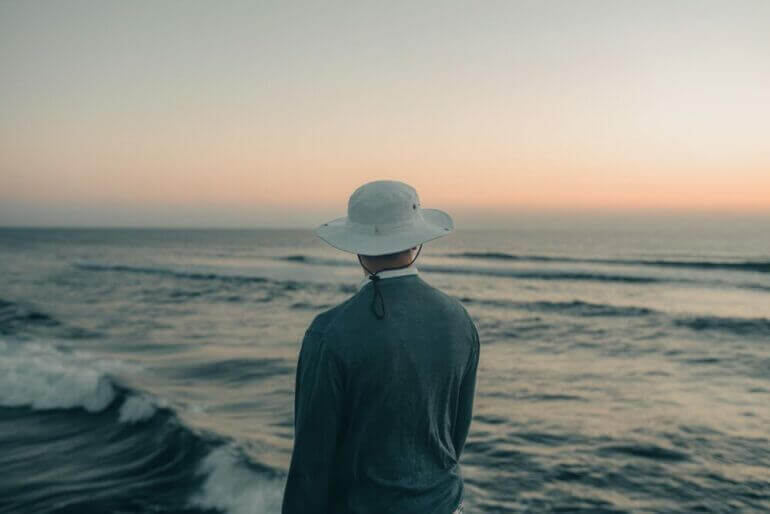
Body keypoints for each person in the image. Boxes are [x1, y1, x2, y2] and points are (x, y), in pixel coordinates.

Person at [282, 180, 480, 514]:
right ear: (416, 242)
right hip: (445, 506)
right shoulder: (459, 319)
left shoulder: (329, 333)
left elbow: (312, 462)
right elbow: (456, 433)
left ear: (357, 246)